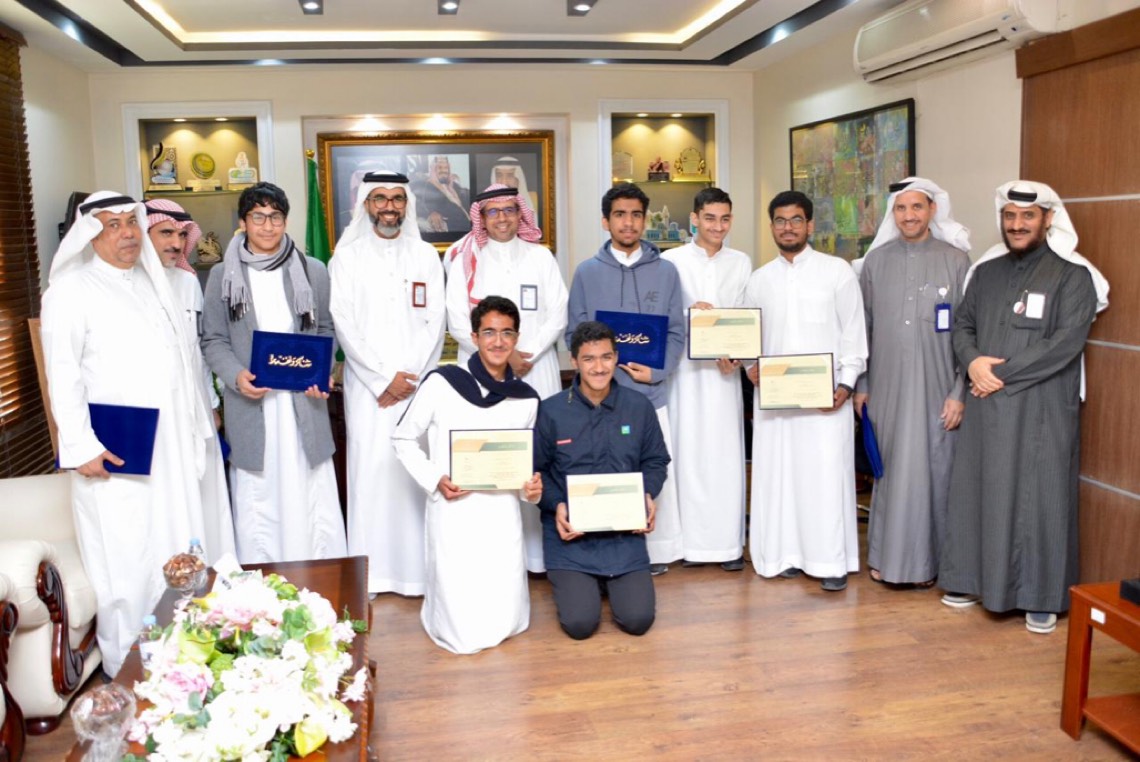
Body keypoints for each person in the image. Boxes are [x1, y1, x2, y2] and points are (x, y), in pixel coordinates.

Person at [40, 191, 231, 676]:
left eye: (131, 222)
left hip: (171, 444)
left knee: (178, 542)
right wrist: (80, 447)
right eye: (112, 225)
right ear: (91, 234)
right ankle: (130, 663)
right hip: (115, 451)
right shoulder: (70, 291)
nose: (126, 233)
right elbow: (63, 375)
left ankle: (186, 651)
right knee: (127, 550)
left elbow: (183, 362)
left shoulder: (154, 283)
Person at [939, 180, 1109, 634]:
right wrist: (973, 362)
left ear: (1048, 219)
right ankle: (970, 580)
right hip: (985, 402)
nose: (1017, 224)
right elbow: (963, 325)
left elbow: (1066, 343)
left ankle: (1040, 595)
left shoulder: (1073, 275)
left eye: (1027, 216)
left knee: (1040, 495)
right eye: (1010, 216)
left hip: (1041, 406)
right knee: (979, 488)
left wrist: (999, 375)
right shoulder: (987, 272)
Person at [201, 182, 347, 564]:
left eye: (275, 217)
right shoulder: (222, 275)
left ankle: (318, 572)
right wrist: (236, 376)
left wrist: (321, 372)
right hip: (253, 405)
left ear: (285, 221)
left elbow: (324, 328)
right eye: (258, 217)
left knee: (310, 491)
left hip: (304, 404)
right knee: (260, 495)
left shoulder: (313, 270)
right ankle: (263, 578)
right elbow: (213, 339)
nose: (268, 226)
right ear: (243, 222)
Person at [392, 296, 543, 654]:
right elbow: (402, 438)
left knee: (503, 603)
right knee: (462, 622)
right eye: (489, 332)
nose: (498, 341)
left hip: (501, 512)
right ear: (474, 337)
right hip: (454, 508)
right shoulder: (442, 383)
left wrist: (531, 489)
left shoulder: (526, 399)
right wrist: (435, 479)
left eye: (507, 333)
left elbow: (524, 466)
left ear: (516, 338)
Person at [744, 190, 868, 592]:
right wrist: (749, 367)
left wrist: (846, 385)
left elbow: (854, 334)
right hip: (775, 403)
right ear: (772, 227)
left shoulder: (837, 272)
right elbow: (747, 338)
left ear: (810, 225)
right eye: (780, 221)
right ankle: (784, 556)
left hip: (825, 401)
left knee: (824, 479)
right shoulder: (759, 280)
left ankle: (829, 561)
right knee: (779, 479)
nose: (788, 228)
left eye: (796, 220)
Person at [330, 171, 446, 597]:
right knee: (372, 475)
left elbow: (436, 321)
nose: (389, 206)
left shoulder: (425, 256)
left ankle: (420, 573)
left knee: (414, 472)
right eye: (380, 198)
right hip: (369, 391)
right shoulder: (346, 258)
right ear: (366, 204)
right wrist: (383, 379)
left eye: (397, 198)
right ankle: (373, 575)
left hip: (416, 387)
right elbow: (344, 324)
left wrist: (408, 377)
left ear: (406, 204)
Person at [853, 178, 972, 586]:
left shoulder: (956, 261)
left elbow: (969, 333)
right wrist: (862, 385)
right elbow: (863, 328)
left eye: (917, 207)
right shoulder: (876, 262)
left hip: (939, 390)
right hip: (885, 388)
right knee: (888, 471)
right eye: (901, 208)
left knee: (933, 474)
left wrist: (959, 393)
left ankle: (927, 566)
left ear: (932, 210)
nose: (909, 216)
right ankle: (886, 559)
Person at [445, 184, 568, 573]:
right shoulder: (465, 259)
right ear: (481, 218)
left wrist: (526, 351)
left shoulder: (540, 256)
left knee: (538, 455)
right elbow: (457, 320)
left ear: (521, 214)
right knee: (495, 457)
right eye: (493, 211)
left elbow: (559, 312)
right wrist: (505, 353)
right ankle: (498, 558)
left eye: (509, 210)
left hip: (537, 368)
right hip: (486, 375)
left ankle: (541, 558)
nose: (502, 218)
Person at [565, 182, 685, 575]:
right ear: (606, 221)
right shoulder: (587, 272)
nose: (628, 222)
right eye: (619, 214)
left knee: (650, 470)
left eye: (636, 214)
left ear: (645, 220)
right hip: (599, 397)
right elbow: (574, 331)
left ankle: (656, 553)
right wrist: (597, 373)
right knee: (603, 472)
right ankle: (603, 552)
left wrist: (658, 371)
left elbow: (676, 331)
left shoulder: (666, 272)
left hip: (649, 394)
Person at [535, 321, 669, 639]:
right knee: (580, 625)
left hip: (624, 537)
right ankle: (588, 584)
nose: (599, 367)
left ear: (616, 357)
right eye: (589, 359)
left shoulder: (639, 407)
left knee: (638, 621)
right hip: (571, 538)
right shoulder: (551, 411)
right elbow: (537, 472)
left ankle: (609, 583)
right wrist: (557, 505)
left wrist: (647, 494)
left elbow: (656, 461)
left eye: (606, 357)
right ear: (574, 361)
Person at [662, 188, 751, 571]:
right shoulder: (670, 261)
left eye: (725, 219)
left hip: (724, 377)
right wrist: (690, 311)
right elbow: (663, 314)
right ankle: (686, 545)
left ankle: (726, 545)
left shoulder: (741, 262)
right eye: (710, 218)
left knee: (724, 456)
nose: (718, 226)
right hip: (684, 375)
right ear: (694, 219)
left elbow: (745, 315)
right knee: (685, 453)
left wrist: (739, 355)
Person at [146, 198, 234, 558]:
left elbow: (200, 349)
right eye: (166, 233)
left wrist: (211, 404)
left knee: (206, 493)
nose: (176, 243)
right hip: (157, 412)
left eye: (183, 235)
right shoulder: (132, 285)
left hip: (195, 407)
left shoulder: (188, 281)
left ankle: (213, 567)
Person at [413, 155, 470, 235]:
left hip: (467, 227)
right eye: (439, 167)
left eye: (446, 168)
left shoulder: (454, 186)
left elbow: (466, 201)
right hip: (448, 230)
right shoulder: (424, 186)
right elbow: (416, 203)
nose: (444, 171)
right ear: (432, 169)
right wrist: (430, 213)